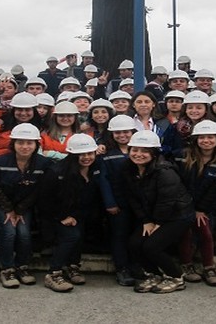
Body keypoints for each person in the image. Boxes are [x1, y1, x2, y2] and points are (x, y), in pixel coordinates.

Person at [125, 131, 194, 294]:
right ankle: (154, 274)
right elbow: (133, 197)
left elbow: (167, 201)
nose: (138, 155)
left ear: (154, 153)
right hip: (153, 215)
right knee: (134, 243)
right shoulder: (129, 168)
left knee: (152, 246)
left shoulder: (164, 171)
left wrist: (157, 222)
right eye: (135, 150)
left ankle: (176, 277)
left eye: (144, 151)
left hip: (178, 215)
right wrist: (146, 220)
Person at [0, 123, 52, 289]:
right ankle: (7, 269)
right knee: (9, 232)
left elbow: (39, 189)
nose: (25, 146)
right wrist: (9, 209)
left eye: (29, 143)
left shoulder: (44, 163)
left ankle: (22, 266)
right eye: (20, 142)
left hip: (25, 204)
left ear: (36, 144)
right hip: (1, 203)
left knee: (24, 233)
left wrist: (20, 209)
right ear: (13, 144)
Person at [39, 133, 102, 292]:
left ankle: (72, 266)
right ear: (72, 154)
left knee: (79, 233)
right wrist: (63, 217)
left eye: (90, 153)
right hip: (56, 215)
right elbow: (45, 200)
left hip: (78, 214)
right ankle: (53, 273)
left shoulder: (95, 169)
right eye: (81, 154)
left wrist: (77, 216)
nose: (86, 157)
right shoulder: (57, 172)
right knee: (71, 235)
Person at [177, 120, 216, 287]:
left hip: (204, 206)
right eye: (202, 137)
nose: (206, 141)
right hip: (182, 204)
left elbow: (214, 189)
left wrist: (200, 210)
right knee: (185, 233)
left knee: (205, 233)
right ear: (195, 140)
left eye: (210, 137)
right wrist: (188, 207)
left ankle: (209, 268)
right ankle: (186, 265)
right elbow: (178, 184)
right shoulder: (183, 156)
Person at [97, 115, 138, 286]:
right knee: (119, 236)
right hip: (118, 204)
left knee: (137, 236)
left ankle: (137, 266)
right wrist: (110, 203)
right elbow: (103, 180)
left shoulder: (141, 151)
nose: (122, 135)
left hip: (139, 204)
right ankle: (122, 268)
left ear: (133, 132)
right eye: (118, 132)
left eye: (126, 132)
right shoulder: (106, 154)